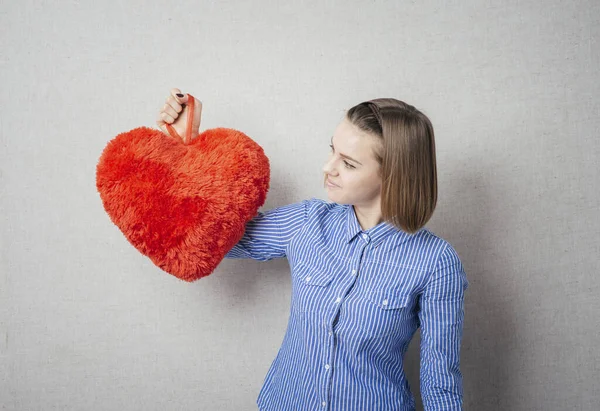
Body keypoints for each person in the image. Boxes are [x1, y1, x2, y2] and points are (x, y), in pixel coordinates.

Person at [157, 88, 469, 411]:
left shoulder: (436, 263)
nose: (327, 168)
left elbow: (440, 384)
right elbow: (216, 236)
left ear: (393, 176)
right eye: (332, 151)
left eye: (348, 164)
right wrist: (181, 149)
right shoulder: (307, 221)